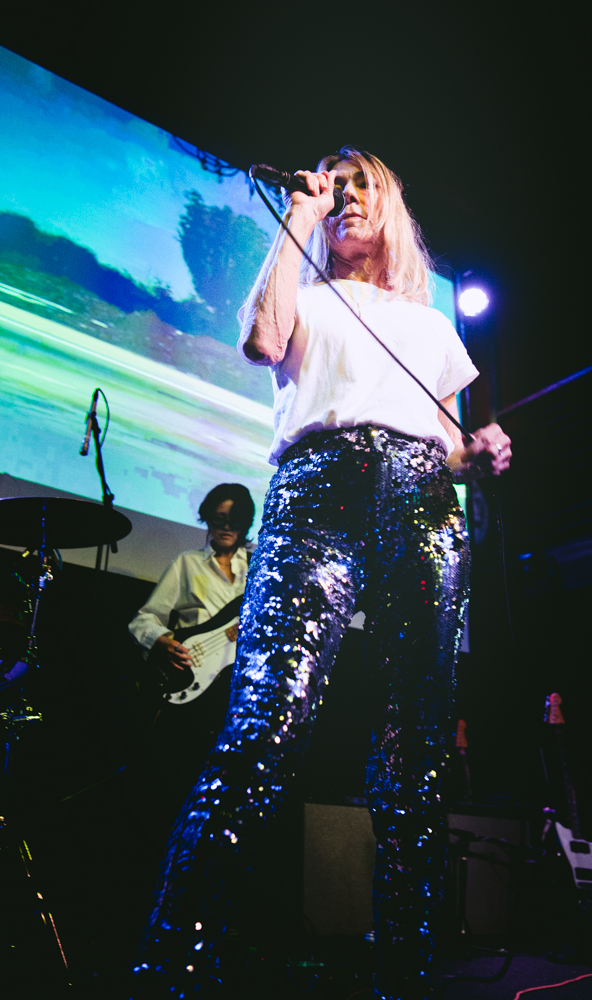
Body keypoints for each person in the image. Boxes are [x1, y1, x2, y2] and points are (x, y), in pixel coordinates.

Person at [131, 147, 512, 1000]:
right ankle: (174, 972)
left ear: (390, 205)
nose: (343, 198)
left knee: (413, 755)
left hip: (420, 505)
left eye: (357, 185)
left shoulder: (433, 327)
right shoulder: (304, 296)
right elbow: (262, 341)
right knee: (265, 727)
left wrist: (481, 451)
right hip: (319, 495)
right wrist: (299, 214)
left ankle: (404, 977)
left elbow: (447, 443)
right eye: (330, 186)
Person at [128, 483, 255, 879]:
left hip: (238, 692)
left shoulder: (259, 570)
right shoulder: (187, 564)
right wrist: (162, 641)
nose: (226, 527)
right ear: (206, 517)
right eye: (219, 519)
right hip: (192, 690)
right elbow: (143, 619)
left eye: (234, 521)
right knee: (180, 786)